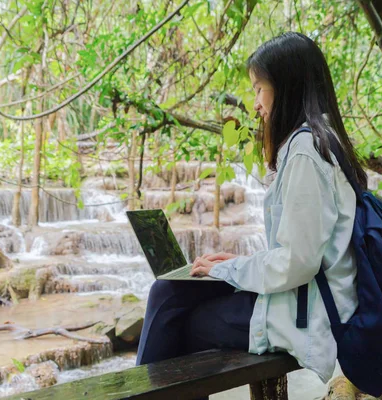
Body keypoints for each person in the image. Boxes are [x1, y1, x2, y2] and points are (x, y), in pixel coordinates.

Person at [136, 32, 367, 390]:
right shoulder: (315, 140)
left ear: (287, 87)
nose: (256, 104)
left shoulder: (306, 151)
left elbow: (297, 263)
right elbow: (304, 249)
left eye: (259, 89)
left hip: (309, 314)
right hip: (303, 296)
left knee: (185, 322)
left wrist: (232, 268)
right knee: (168, 292)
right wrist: (234, 265)